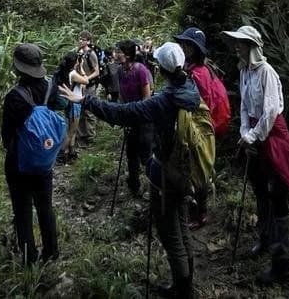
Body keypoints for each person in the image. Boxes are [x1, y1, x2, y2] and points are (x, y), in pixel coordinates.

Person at [63, 42, 201, 299]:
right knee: (181, 224)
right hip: (188, 167)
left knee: (170, 233)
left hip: (168, 172)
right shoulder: (191, 88)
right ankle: (186, 282)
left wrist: (86, 100)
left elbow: (124, 113)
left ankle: (183, 290)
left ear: (160, 69)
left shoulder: (163, 100)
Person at [224, 24, 289, 287]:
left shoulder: (266, 72)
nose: (237, 46)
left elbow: (271, 110)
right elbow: (243, 106)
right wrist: (245, 133)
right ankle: (264, 238)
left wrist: (253, 135)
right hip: (255, 136)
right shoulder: (244, 72)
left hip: (273, 138)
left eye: (241, 42)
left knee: (278, 195)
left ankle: (281, 262)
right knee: (260, 190)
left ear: (252, 46)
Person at [1, 43, 62, 266]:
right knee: (45, 206)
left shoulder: (13, 97)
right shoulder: (50, 89)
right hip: (44, 161)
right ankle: (52, 252)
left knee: (23, 210)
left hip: (19, 163)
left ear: (18, 68)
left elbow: (7, 135)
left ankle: (29, 258)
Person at [175, 26, 229, 228]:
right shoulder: (203, 68)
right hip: (207, 125)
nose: (183, 46)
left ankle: (200, 214)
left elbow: (201, 103)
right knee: (199, 167)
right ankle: (197, 209)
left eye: (187, 44)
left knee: (199, 168)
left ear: (194, 48)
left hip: (202, 126)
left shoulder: (198, 73)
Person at [115, 39, 154, 197]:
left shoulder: (140, 70)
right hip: (129, 117)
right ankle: (134, 185)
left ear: (128, 54)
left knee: (146, 154)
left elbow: (147, 97)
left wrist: (137, 114)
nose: (116, 54)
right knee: (131, 153)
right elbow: (121, 95)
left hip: (143, 119)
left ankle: (154, 186)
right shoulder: (119, 70)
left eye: (119, 52)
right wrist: (123, 113)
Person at [53, 52, 84, 162]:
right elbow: (86, 80)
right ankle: (62, 154)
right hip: (75, 102)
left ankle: (71, 152)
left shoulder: (63, 72)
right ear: (75, 62)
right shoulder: (73, 73)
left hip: (70, 102)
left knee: (72, 131)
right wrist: (81, 67)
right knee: (71, 131)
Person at [76, 31, 101, 144]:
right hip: (79, 85)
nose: (80, 41)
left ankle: (90, 136)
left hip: (89, 85)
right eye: (80, 38)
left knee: (89, 110)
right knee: (80, 110)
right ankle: (81, 135)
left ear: (88, 41)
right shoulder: (78, 52)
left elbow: (96, 71)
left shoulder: (91, 54)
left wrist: (86, 79)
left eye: (83, 39)